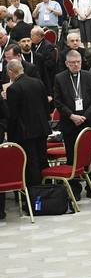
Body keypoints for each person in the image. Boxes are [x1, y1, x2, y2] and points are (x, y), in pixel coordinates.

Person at [53, 49, 91, 198]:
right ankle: (74, 187)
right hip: (69, 123)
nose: (76, 65)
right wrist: (71, 115)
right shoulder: (59, 78)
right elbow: (58, 101)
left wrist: (84, 116)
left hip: (87, 122)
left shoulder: (90, 76)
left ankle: (90, 187)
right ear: (67, 63)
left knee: (89, 155)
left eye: (78, 62)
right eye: (72, 63)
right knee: (71, 156)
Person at [4, 59, 50, 187]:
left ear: (11, 72)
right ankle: (47, 189)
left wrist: (10, 135)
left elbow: (13, 116)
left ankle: (35, 194)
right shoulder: (38, 82)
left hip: (25, 133)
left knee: (31, 164)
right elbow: (46, 107)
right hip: (42, 129)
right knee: (43, 160)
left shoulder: (13, 89)